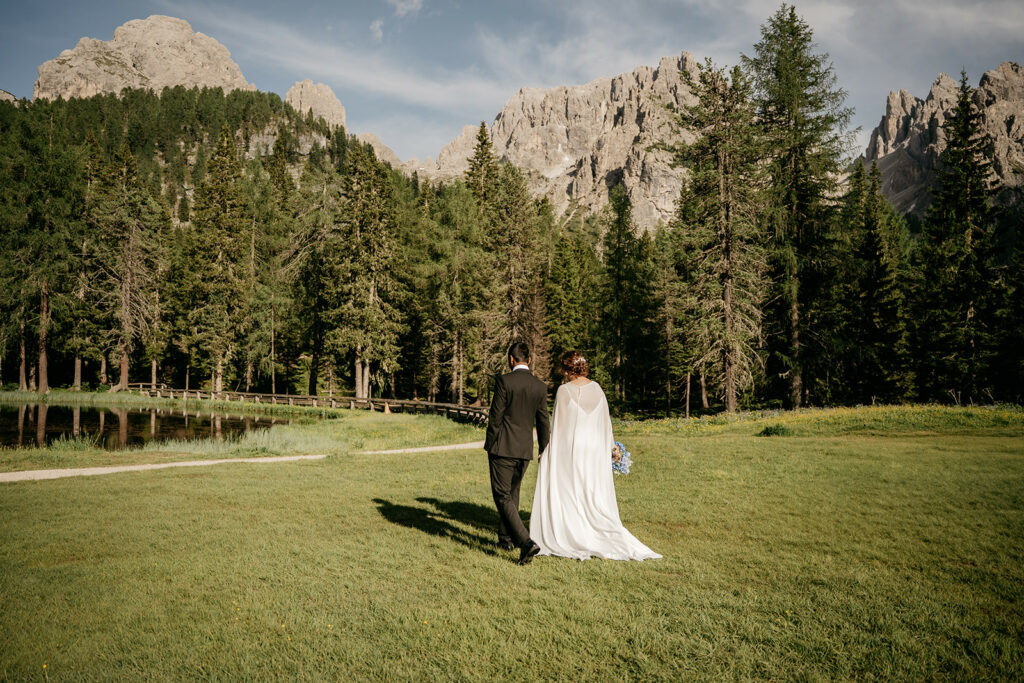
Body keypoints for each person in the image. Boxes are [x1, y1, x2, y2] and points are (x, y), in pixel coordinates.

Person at [529, 351, 661, 561]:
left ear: (567, 369)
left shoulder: (564, 391)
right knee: (590, 489)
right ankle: (592, 526)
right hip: (594, 450)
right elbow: (605, 424)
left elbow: (558, 426)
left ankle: (574, 528)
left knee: (571, 488)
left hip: (573, 449)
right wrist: (611, 448)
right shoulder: (598, 389)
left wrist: (547, 451)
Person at [484, 342, 551, 565]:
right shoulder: (539, 387)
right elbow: (543, 421)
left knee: (501, 495)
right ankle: (505, 539)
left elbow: (496, 417)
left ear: (511, 359)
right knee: (512, 493)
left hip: (503, 447)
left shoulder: (504, 381)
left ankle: (526, 542)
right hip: (524, 450)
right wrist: (544, 448)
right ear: (528, 360)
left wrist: (490, 444)